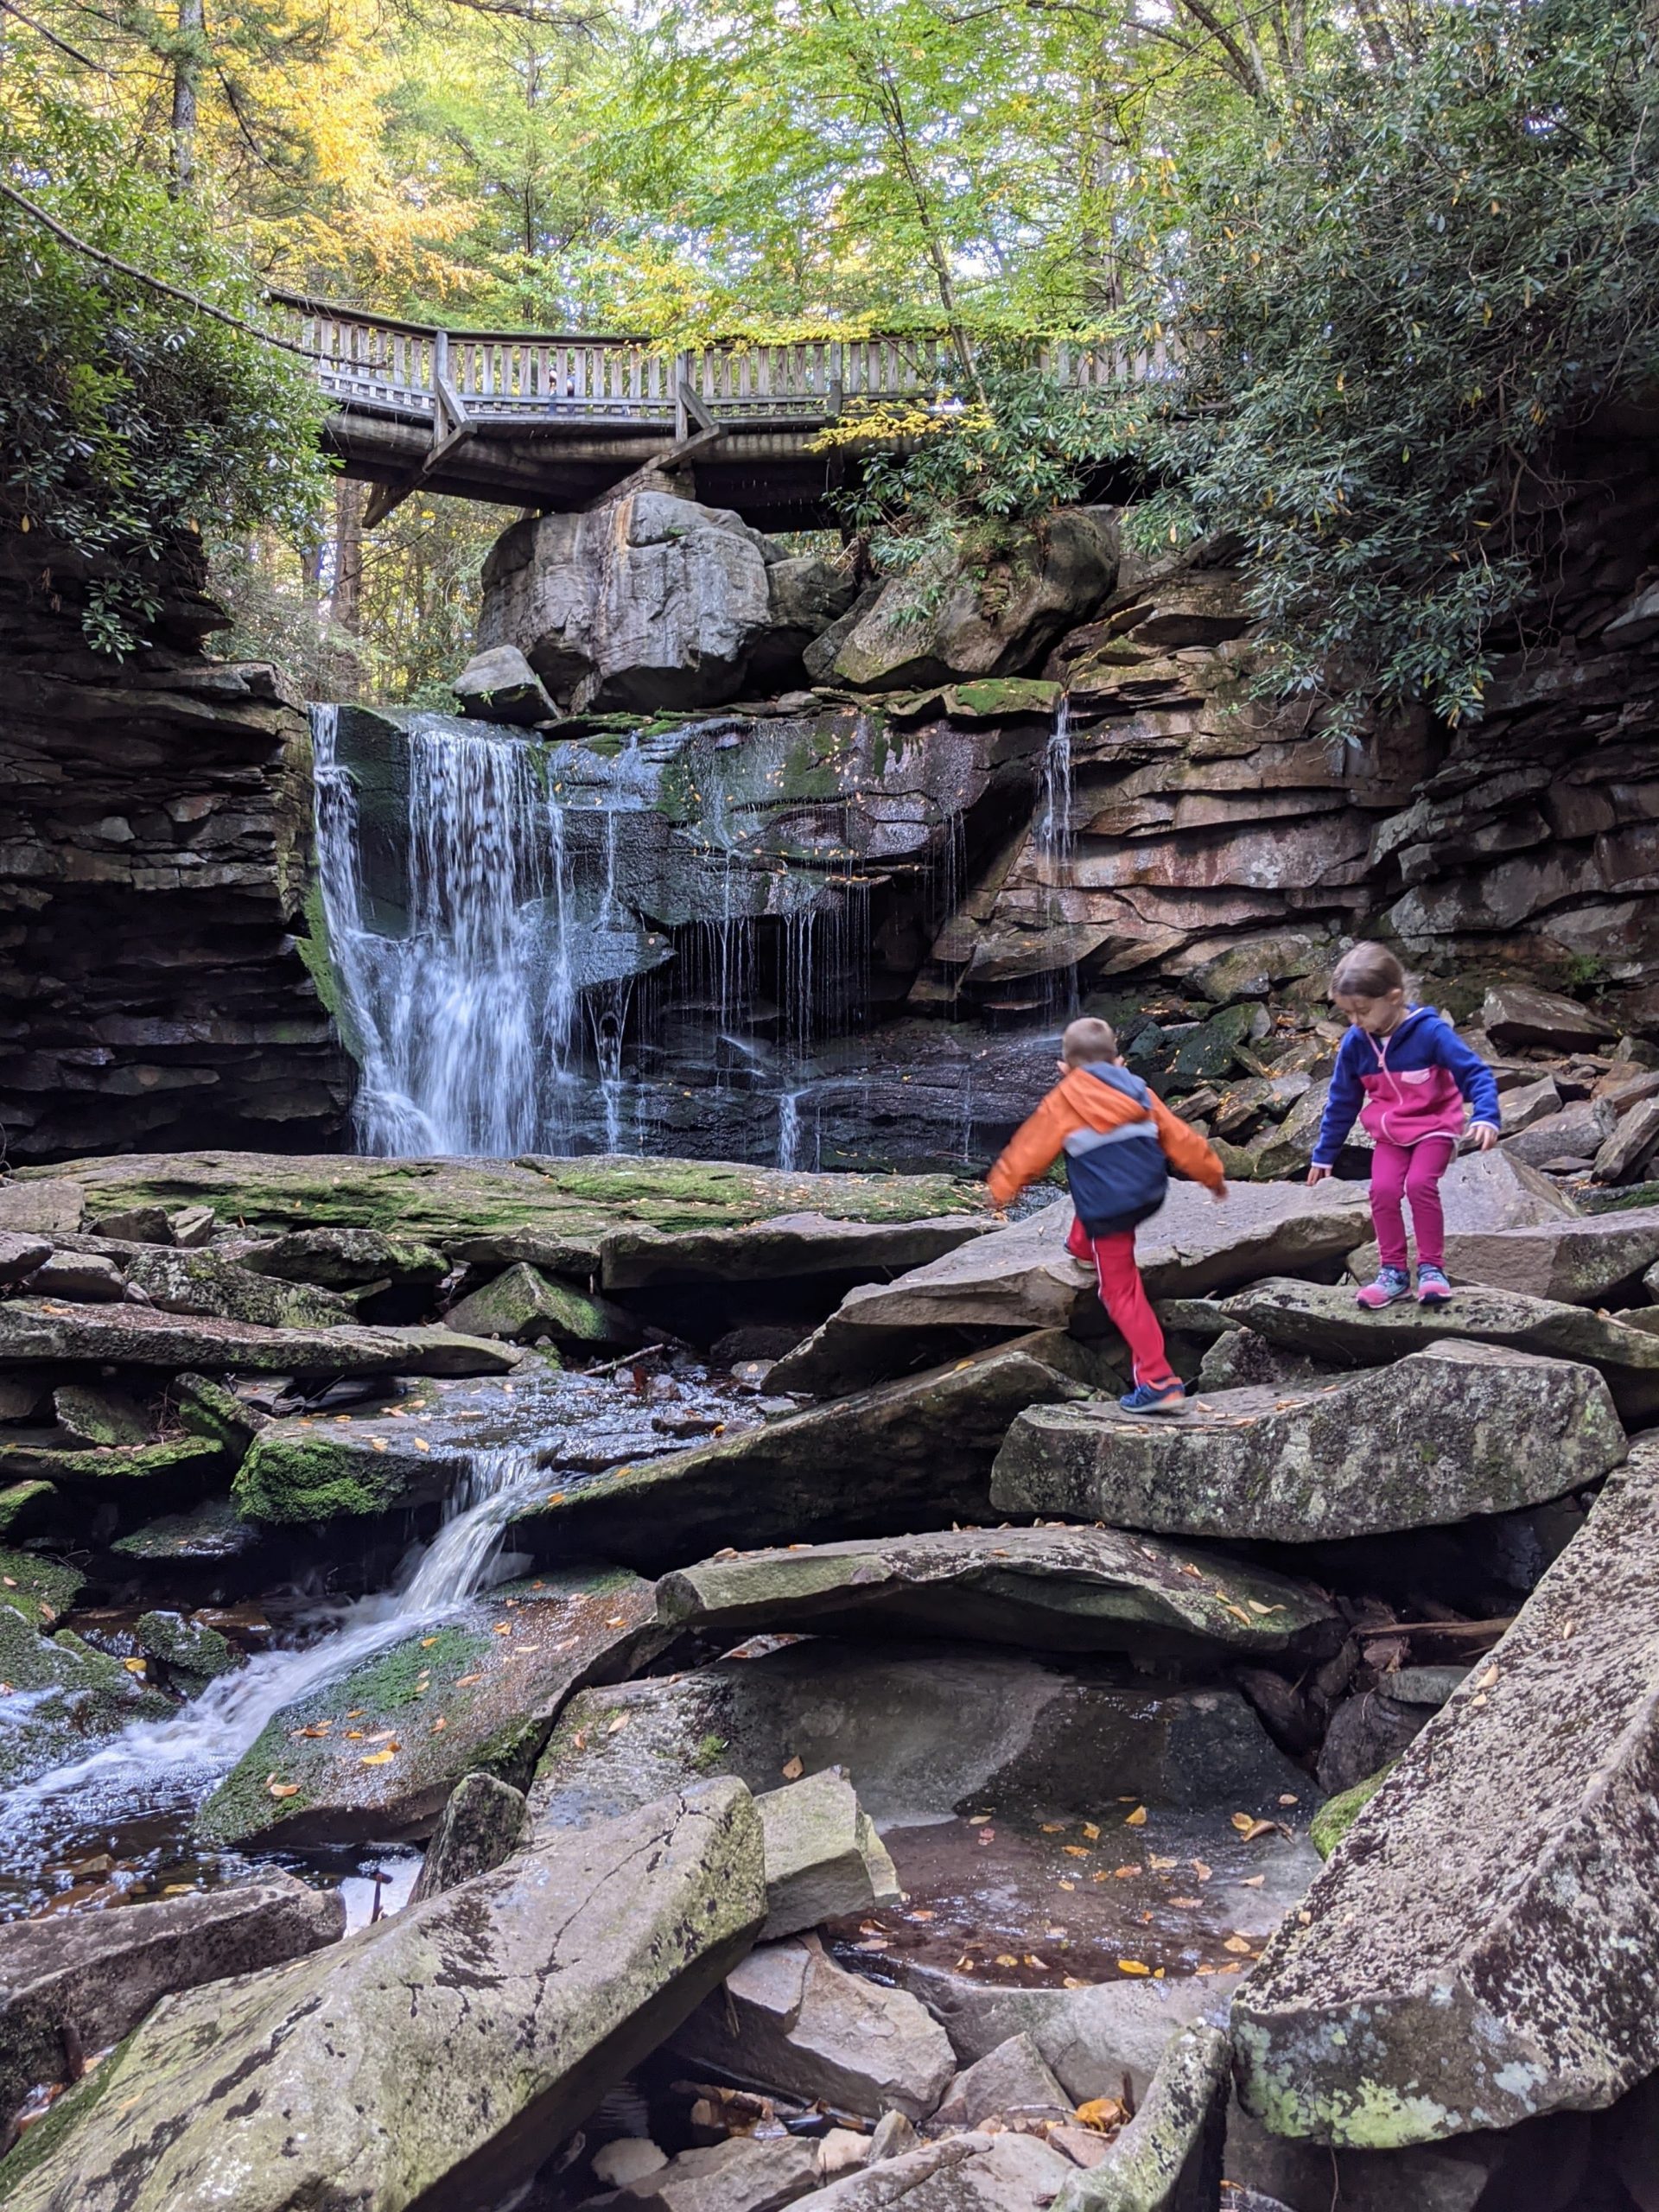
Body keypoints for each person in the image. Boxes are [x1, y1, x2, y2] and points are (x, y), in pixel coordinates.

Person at [987, 1014, 1227, 1415]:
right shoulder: (1141, 1091)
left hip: (1111, 1209)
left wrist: (1001, 1190)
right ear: (1118, 1063)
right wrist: (1213, 1176)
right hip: (1149, 1193)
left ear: (1064, 1069)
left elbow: (1028, 1153)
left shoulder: (1064, 1099)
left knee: (1120, 1292)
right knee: (1097, 1175)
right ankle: (1082, 1245)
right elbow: (1182, 1140)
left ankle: (1158, 1379)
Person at [1306, 942, 1500, 1307]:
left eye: (1362, 1011)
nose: (1355, 1021)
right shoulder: (1355, 1045)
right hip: (1391, 1135)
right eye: (1347, 1013)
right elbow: (1342, 1102)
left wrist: (1487, 1115)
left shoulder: (1429, 1033)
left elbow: (1475, 1073)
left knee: (1419, 1185)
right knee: (1381, 1191)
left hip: (1435, 1126)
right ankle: (1393, 1273)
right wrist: (1324, 1154)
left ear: (1394, 997)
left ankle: (1431, 1269)